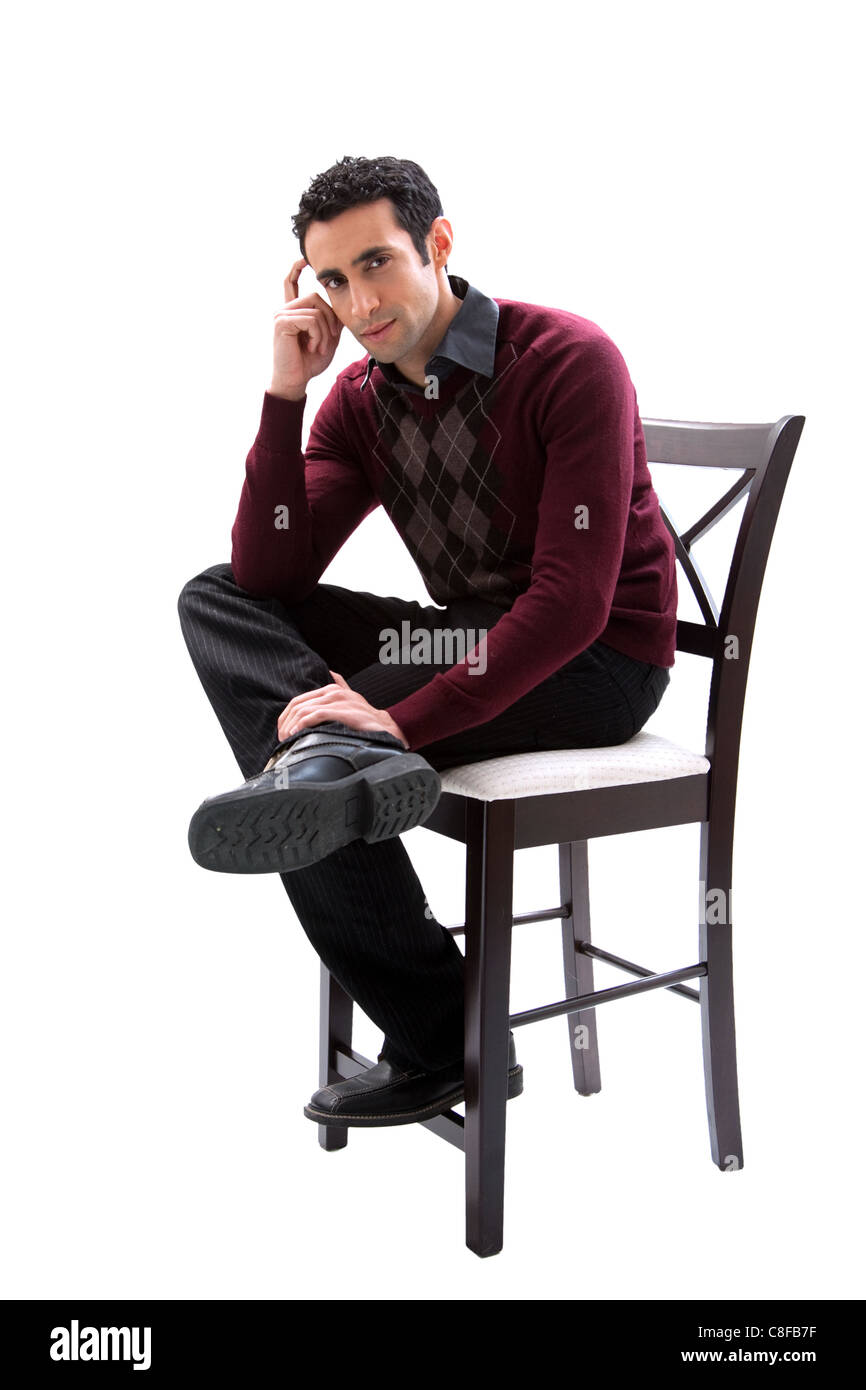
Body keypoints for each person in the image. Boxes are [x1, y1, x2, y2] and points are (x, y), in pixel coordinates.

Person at [177, 154, 677, 1129]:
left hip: (600, 661)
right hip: (459, 636)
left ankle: (438, 1032)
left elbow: (571, 605)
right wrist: (285, 393)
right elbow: (270, 575)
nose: (357, 301)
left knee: (318, 755)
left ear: (437, 244)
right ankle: (326, 761)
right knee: (215, 596)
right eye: (330, 280)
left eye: (374, 264)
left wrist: (397, 722)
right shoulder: (359, 398)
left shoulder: (568, 359)